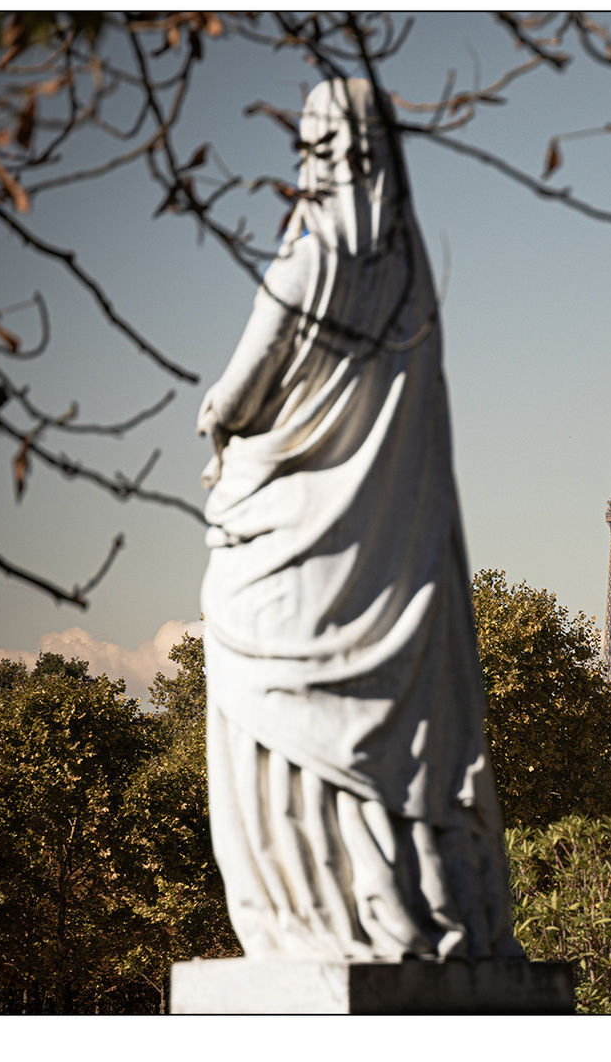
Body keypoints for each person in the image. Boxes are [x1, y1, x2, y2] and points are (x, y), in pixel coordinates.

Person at [196, 77, 522, 962]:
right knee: (386, 733)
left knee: (283, 729)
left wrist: (216, 419)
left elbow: (238, 396)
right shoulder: (412, 281)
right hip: (385, 555)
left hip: (287, 558)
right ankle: (406, 897)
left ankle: (319, 909)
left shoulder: (307, 266)